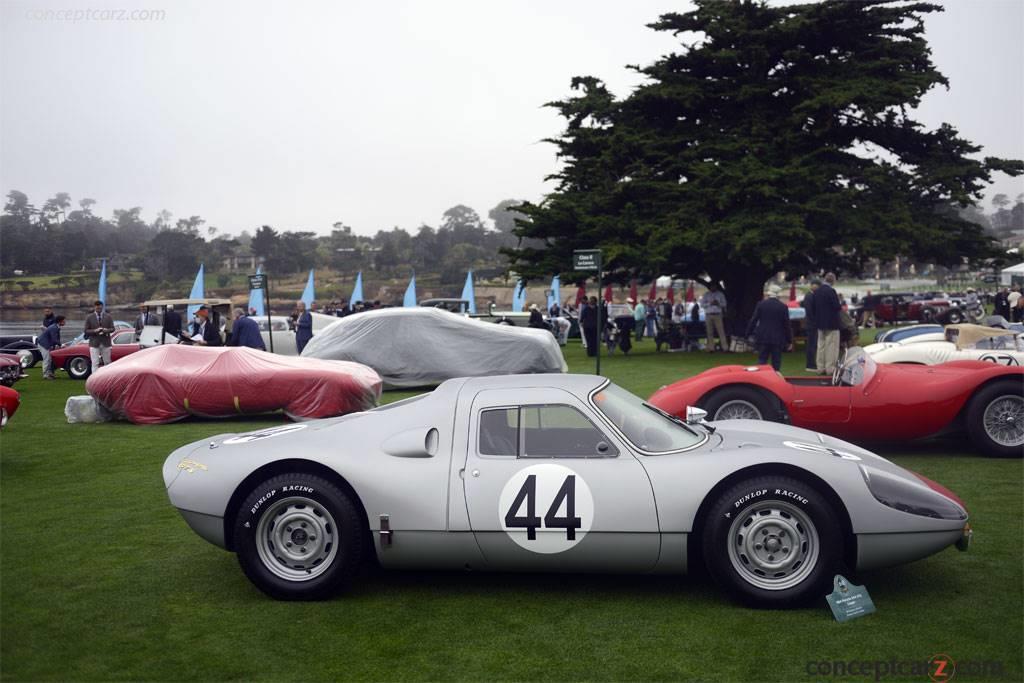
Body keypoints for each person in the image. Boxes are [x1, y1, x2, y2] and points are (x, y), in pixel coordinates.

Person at [746, 286, 792, 371]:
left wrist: (748, 333)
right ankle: (775, 378)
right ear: (778, 295)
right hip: (777, 337)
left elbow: (753, 320)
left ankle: (761, 378)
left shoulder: (761, 304)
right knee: (776, 361)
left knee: (762, 360)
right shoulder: (783, 307)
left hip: (763, 336)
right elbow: (787, 325)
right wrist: (789, 340)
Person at [811, 273, 842, 375]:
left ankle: (820, 367)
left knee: (821, 346)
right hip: (831, 323)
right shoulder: (831, 291)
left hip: (820, 323)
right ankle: (830, 368)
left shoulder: (817, 292)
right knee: (831, 346)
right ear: (833, 281)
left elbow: (813, 308)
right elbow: (837, 307)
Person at [84, 300, 115, 372]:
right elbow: (86, 330)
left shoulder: (108, 316)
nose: (99, 309)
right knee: (95, 363)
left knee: (107, 362)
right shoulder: (89, 317)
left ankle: (107, 378)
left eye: (100, 308)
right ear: (94, 307)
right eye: (97, 308)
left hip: (106, 342)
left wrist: (106, 330)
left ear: (102, 307)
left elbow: (113, 328)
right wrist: (95, 330)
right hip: (94, 343)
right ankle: (94, 379)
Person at [701, 283, 729, 352]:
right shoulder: (706, 294)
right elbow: (702, 304)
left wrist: (718, 304)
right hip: (709, 314)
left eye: (714, 286)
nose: (713, 288)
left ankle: (725, 348)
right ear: (710, 287)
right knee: (709, 332)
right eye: (712, 286)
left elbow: (724, 304)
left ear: (716, 287)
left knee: (721, 332)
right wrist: (710, 303)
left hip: (718, 314)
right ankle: (711, 348)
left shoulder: (720, 294)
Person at [37, 315, 66, 380]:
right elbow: (54, 339)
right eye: (63, 321)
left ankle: (50, 374)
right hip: (44, 344)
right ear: (60, 322)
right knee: (47, 359)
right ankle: (45, 375)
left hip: (47, 344)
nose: (65, 322)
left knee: (50, 359)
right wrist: (61, 344)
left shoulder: (56, 327)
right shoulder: (54, 328)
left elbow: (54, 339)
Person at [802, 279, 820, 372]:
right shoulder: (809, 296)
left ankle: (812, 363)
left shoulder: (811, 295)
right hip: (811, 324)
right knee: (811, 345)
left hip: (811, 323)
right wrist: (815, 321)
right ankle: (810, 364)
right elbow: (809, 311)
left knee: (813, 344)